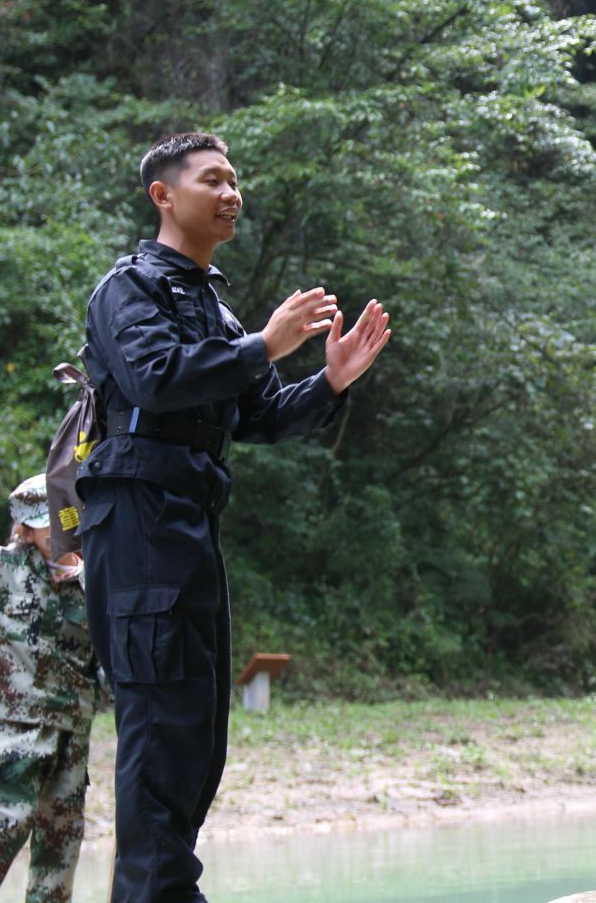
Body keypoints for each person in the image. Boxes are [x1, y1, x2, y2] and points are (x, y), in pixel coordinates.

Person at [78, 132, 392, 901]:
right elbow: (155, 379)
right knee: (158, 733)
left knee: (196, 734)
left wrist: (329, 382)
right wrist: (263, 344)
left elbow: (260, 417)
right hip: (138, 522)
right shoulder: (130, 289)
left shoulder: (212, 302)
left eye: (234, 180)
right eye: (212, 179)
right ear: (164, 195)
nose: (231, 193)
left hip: (189, 527)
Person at [0, 474, 100, 903]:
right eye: (45, 525)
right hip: (17, 721)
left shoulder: (91, 579)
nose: (55, 534)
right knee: (7, 824)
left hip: (71, 724)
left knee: (61, 834)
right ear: (24, 526)